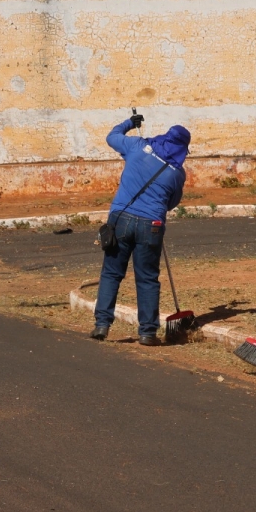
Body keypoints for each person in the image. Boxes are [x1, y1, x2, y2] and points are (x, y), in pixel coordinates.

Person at [91, 113, 190, 345]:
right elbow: (171, 203)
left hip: (121, 219)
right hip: (152, 225)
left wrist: (130, 123)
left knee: (111, 273)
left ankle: (102, 325)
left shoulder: (137, 146)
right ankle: (147, 332)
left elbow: (112, 137)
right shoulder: (177, 173)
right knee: (147, 278)